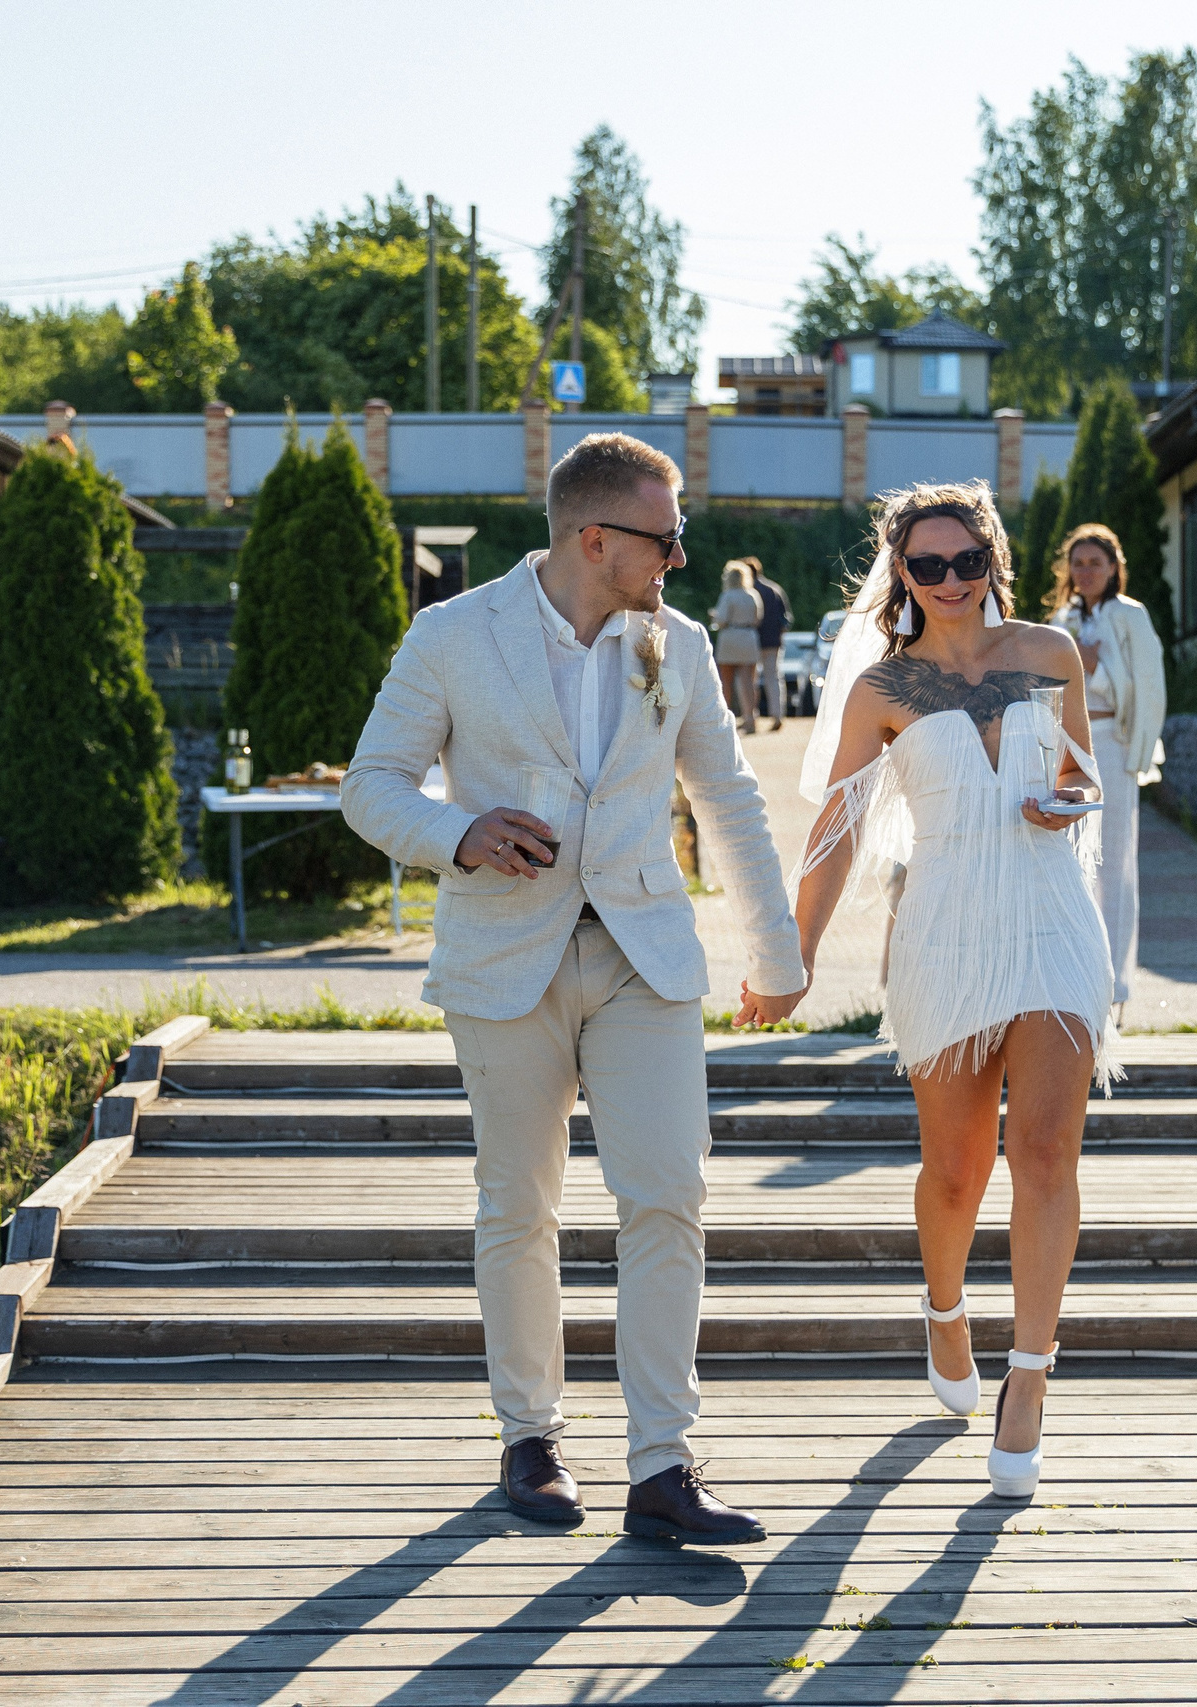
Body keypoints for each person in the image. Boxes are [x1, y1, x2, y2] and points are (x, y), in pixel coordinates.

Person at [342, 433, 808, 1544]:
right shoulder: (453, 635)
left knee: (669, 1196)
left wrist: (776, 953)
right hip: (505, 957)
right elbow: (371, 786)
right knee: (519, 1205)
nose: (680, 557)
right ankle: (530, 1439)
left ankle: (663, 1468)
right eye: (666, 537)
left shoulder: (678, 643)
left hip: (646, 956)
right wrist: (460, 832)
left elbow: (729, 797)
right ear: (594, 538)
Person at [792, 479, 1112, 1502]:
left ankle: (1030, 1379)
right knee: (955, 1172)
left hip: (1053, 920)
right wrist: (793, 955)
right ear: (901, 573)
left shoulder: (1050, 654)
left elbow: (1083, 773)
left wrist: (1067, 800)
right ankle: (943, 1309)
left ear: (993, 560)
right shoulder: (882, 689)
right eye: (926, 565)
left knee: (1045, 1154)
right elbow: (837, 829)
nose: (948, 579)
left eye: (966, 560)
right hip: (944, 932)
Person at [1046, 523, 1167, 1010]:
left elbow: (1148, 686)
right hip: (1065, 745)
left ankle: (1115, 986)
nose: (1086, 571)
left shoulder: (1130, 615)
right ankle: (1075, 974)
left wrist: (1093, 665)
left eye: (1095, 562)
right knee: (1067, 860)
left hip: (1112, 745)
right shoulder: (1062, 619)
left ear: (1114, 567)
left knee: (1113, 863)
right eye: (1078, 563)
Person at [711, 561, 765, 734]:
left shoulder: (727, 595)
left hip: (730, 636)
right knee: (748, 681)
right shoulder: (752, 594)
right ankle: (750, 718)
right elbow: (758, 618)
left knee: (725, 681)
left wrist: (714, 617)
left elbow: (721, 620)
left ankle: (725, 719)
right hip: (749, 636)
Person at [749, 560, 790, 731]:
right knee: (773, 678)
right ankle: (777, 715)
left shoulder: (748, 590)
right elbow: (786, 618)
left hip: (753, 640)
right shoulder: (774, 589)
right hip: (773, 641)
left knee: (750, 679)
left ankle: (751, 715)